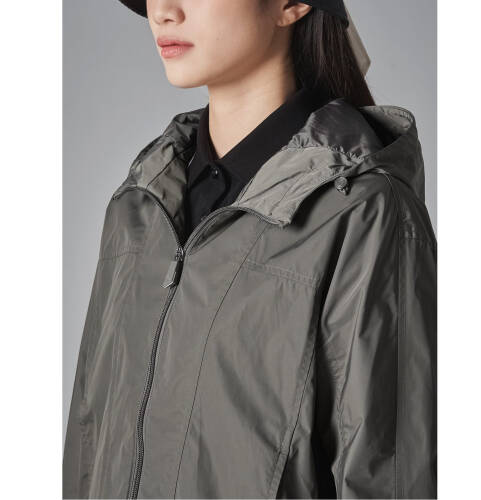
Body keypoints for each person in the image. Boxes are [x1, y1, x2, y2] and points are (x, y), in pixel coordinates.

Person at [63, 1, 437, 498]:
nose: (164, 11)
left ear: (290, 5)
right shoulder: (137, 207)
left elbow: (387, 475)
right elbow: (88, 440)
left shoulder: (362, 212)